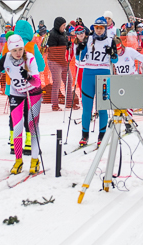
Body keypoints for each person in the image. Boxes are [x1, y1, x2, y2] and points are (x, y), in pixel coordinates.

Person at [0, 33, 44, 175]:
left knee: (32, 126)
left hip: (33, 92)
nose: (18, 53)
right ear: (9, 50)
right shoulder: (6, 58)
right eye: (14, 50)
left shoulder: (29, 58)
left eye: (20, 49)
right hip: (16, 92)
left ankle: (34, 159)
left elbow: (37, 82)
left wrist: (28, 76)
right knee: (17, 126)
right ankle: (18, 160)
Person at [75, 16, 117, 147]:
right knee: (87, 109)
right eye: (96, 28)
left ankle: (102, 135)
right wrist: (79, 49)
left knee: (102, 108)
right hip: (88, 75)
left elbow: (115, 60)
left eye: (101, 28)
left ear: (105, 28)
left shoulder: (111, 41)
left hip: (103, 75)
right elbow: (80, 58)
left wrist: (113, 54)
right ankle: (85, 135)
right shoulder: (89, 40)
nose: (98, 30)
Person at [45, 16, 76, 110]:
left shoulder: (63, 33)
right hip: (55, 61)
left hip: (63, 61)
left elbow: (64, 43)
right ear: (58, 25)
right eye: (63, 25)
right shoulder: (52, 34)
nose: (64, 27)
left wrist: (68, 45)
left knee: (69, 80)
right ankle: (55, 105)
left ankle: (69, 102)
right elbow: (52, 50)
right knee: (57, 82)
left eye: (65, 25)